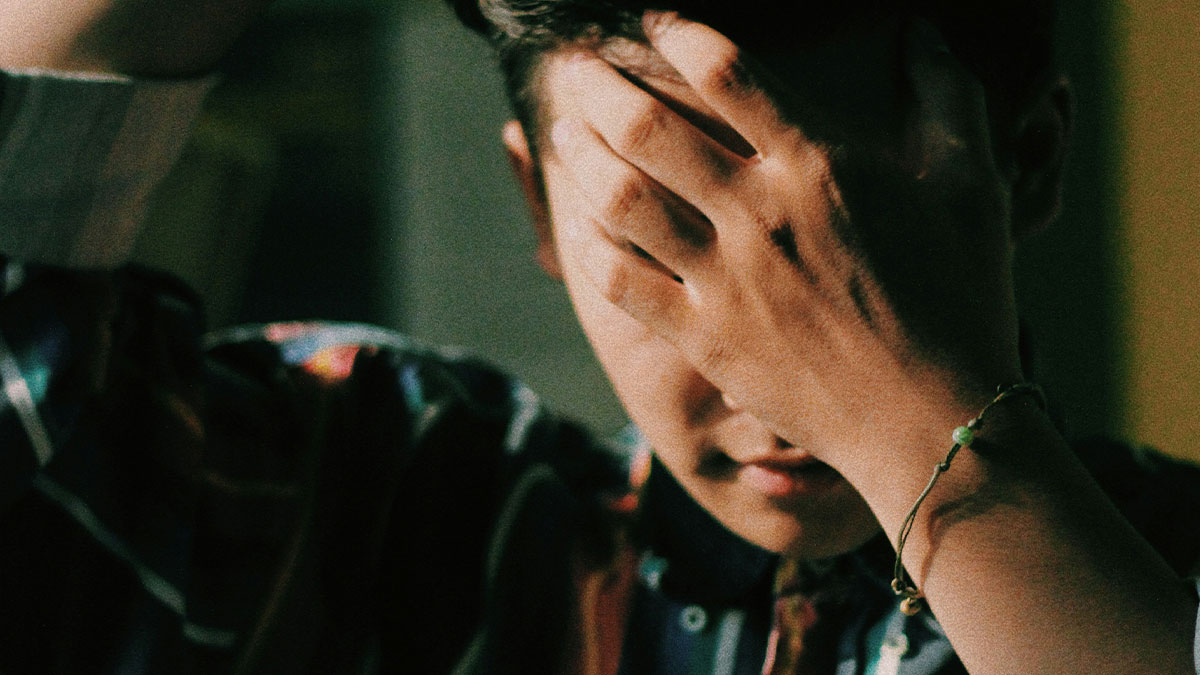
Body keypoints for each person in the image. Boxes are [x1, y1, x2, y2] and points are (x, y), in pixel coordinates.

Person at [0, 4, 1195, 675]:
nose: (776, 382)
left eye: (846, 252)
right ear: (539, 206)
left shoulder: (1168, 585)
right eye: (667, 239)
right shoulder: (389, 496)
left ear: (1026, 158)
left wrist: (929, 439)